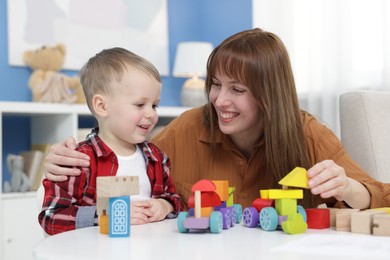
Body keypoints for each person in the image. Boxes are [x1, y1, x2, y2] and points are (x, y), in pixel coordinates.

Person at [42, 28, 390, 211]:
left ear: (269, 94)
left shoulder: (308, 133)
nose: (220, 100)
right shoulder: (189, 127)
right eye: (216, 85)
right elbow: (125, 154)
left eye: (238, 89)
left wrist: (348, 188)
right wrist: (68, 159)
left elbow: (382, 198)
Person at [38, 47, 183, 235]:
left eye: (154, 105)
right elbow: (51, 217)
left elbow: (173, 198)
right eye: (140, 104)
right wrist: (109, 215)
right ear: (102, 106)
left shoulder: (156, 157)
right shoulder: (78, 160)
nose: (151, 114)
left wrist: (165, 205)